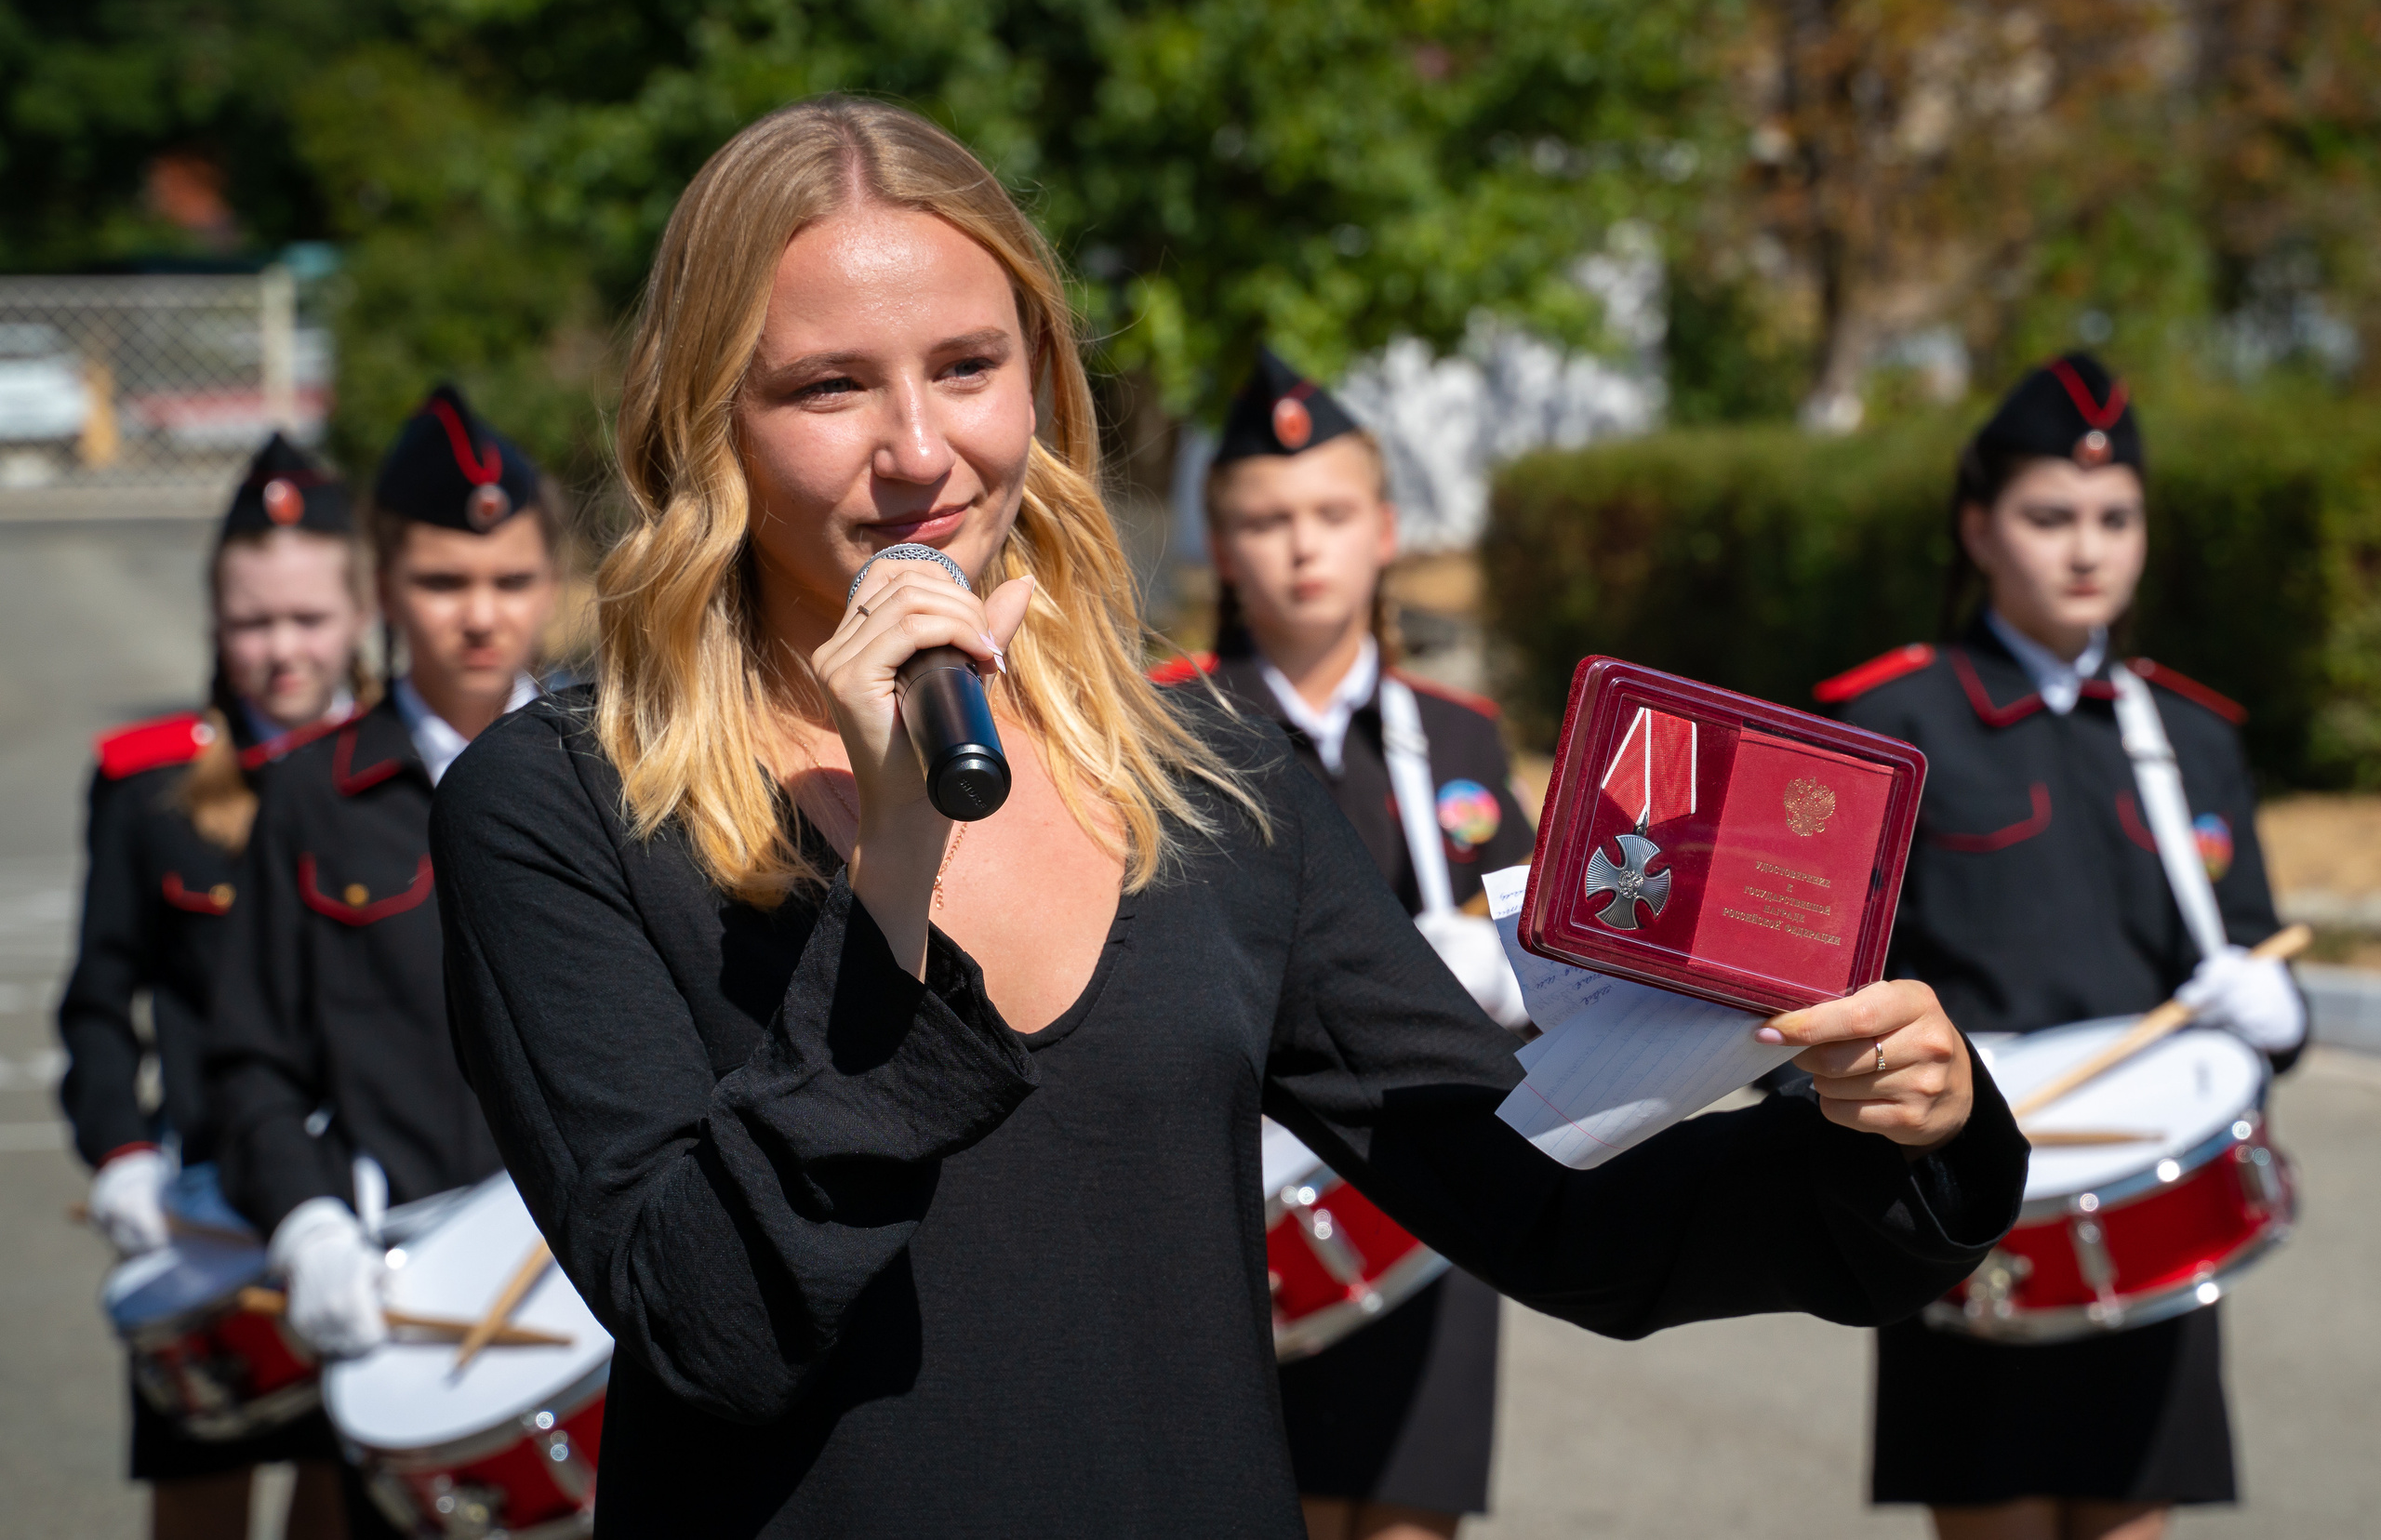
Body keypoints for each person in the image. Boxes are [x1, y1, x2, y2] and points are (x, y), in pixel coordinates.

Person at [428, 95, 2024, 1540]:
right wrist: (894, 867)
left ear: (1043, 380)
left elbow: (1548, 1204)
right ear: (704, 419)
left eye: (971, 367)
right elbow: (710, 1322)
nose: (920, 451)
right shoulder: (560, 799)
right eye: (829, 387)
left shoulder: (1213, 771)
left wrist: (1903, 1135)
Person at [1817, 353, 2308, 1540]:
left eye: (2114, 518)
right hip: (1970, 1200)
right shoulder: (1891, 722)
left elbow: (2249, 940)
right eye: (2049, 517)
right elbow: (1817, 990)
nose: (2086, 549)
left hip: (2146, 1195)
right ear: (1978, 529)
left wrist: (2274, 1010)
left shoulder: (2189, 733)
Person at [1156, 349, 1532, 1540]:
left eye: (1330, 513)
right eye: (1264, 521)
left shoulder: (1458, 738)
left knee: (1414, 1511)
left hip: (1436, 1205)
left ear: (1386, 530)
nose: (1302, 546)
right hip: (1241, 1215)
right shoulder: (1172, 733)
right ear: (1220, 549)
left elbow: (1540, 946)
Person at [208, 384, 560, 1384]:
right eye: (445, 581)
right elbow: (250, 1063)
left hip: (599, 1275)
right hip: (410, 1290)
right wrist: (307, 1220)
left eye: (514, 579)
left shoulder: (616, 768)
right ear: (386, 589)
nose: (485, 617)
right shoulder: (314, 795)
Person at [58, 433, 369, 1540]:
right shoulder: (147, 786)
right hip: (201, 1227)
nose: (281, 650)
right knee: (199, 1513)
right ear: (214, 621)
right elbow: (98, 1002)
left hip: (357, 1224)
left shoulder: (406, 782)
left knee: (341, 1509)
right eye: (251, 621)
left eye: (307, 619)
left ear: (358, 615)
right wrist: (122, 1154)